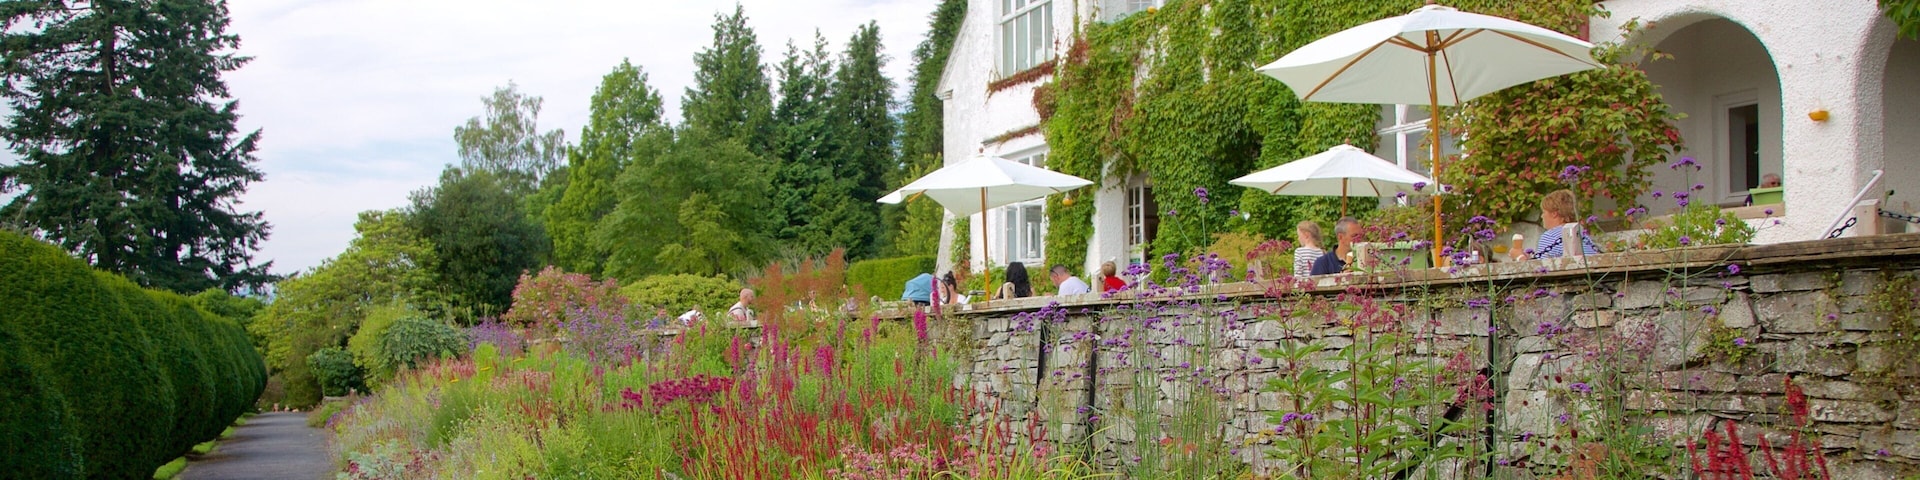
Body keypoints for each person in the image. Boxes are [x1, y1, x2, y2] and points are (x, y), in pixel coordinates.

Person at [1516, 189, 1600, 260]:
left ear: (1554, 213)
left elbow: (1540, 270)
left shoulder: (1550, 236)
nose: (1542, 216)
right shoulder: (1582, 233)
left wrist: (1519, 257)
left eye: (1544, 212)